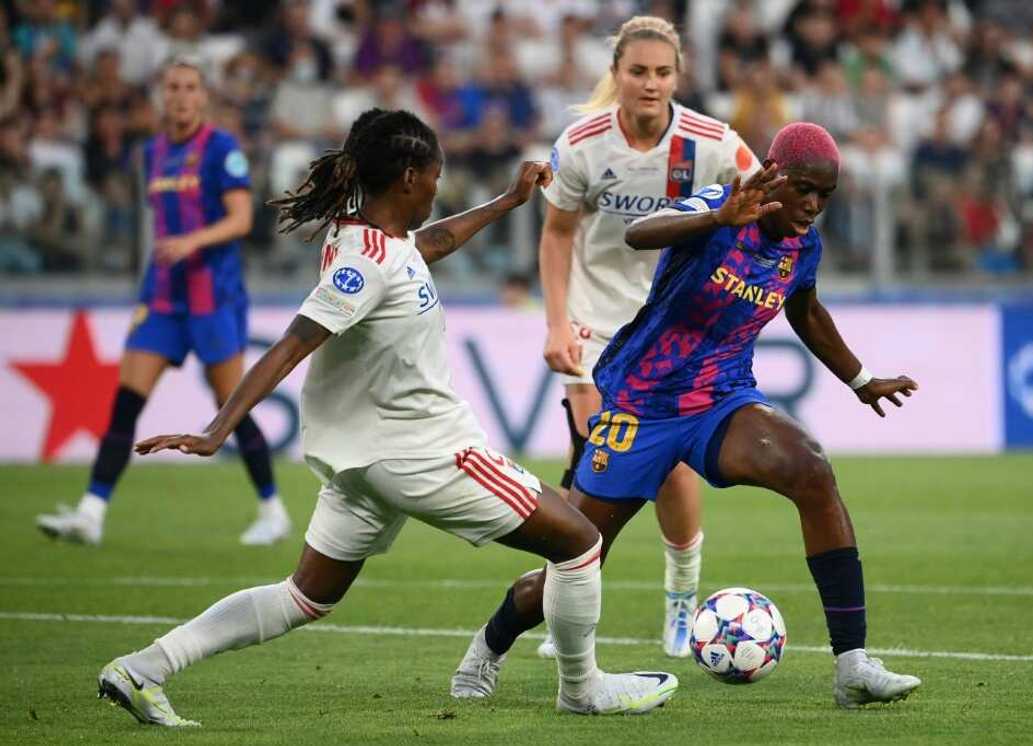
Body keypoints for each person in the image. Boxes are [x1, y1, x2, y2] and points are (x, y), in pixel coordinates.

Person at [95, 108, 678, 727]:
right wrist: (218, 429)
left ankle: (144, 668)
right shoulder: (365, 263)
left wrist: (507, 202)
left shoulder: (369, 238)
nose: (437, 188)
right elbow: (293, 342)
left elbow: (432, 244)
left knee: (304, 596)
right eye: (434, 176)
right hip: (425, 453)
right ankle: (582, 688)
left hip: (359, 461)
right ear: (407, 177)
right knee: (580, 542)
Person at [454, 122, 924, 709]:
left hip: (719, 399)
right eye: (804, 188)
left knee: (812, 469)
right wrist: (716, 217)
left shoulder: (804, 245)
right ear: (773, 174)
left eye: (824, 196)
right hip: (642, 404)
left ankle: (853, 663)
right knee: (576, 555)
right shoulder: (721, 206)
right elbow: (639, 232)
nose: (812, 205)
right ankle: (487, 647)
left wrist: (860, 380)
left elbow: (805, 310)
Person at [535, 15, 760, 659]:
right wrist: (555, 323)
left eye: (662, 72)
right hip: (592, 320)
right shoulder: (580, 146)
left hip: (670, 325)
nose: (650, 83)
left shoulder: (712, 143)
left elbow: (765, 191)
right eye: (638, 71)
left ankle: (682, 600)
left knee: (665, 466)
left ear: (677, 76)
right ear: (617, 75)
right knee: (593, 458)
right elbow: (555, 235)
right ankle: (569, 606)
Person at [34, 58, 290, 546]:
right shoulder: (150, 152)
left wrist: (192, 242)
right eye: (172, 86)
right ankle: (91, 514)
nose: (180, 95)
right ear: (161, 95)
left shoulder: (221, 148)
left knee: (229, 404)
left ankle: (272, 510)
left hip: (213, 296)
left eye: (190, 87)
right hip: (162, 298)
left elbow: (239, 221)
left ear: (202, 97)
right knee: (126, 403)